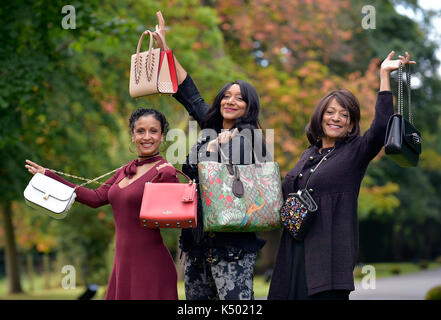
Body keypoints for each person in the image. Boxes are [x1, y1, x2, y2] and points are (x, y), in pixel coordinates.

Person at [267, 51, 416, 300]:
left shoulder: (355, 153)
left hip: (327, 261)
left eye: (344, 115)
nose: (336, 118)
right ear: (320, 116)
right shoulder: (308, 154)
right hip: (293, 253)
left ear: (350, 123)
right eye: (330, 112)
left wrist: (384, 76)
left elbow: (380, 128)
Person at [152, 11, 268, 300]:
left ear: (249, 106)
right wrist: (166, 50)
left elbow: (224, 183)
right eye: (227, 95)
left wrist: (215, 148)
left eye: (239, 97)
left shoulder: (252, 139)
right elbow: (188, 92)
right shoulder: (212, 126)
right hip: (196, 242)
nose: (231, 100)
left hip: (232, 247)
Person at [25, 108, 179, 300]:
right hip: (123, 264)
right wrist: (49, 176)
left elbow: (171, 216)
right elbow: (95, 198)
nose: (146, 137)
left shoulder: (164, 172)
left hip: (150, 263)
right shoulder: (125, 170)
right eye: (140, 131)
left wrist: (170, 179)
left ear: (162, 137)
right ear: (132, 136)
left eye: (153, 131)